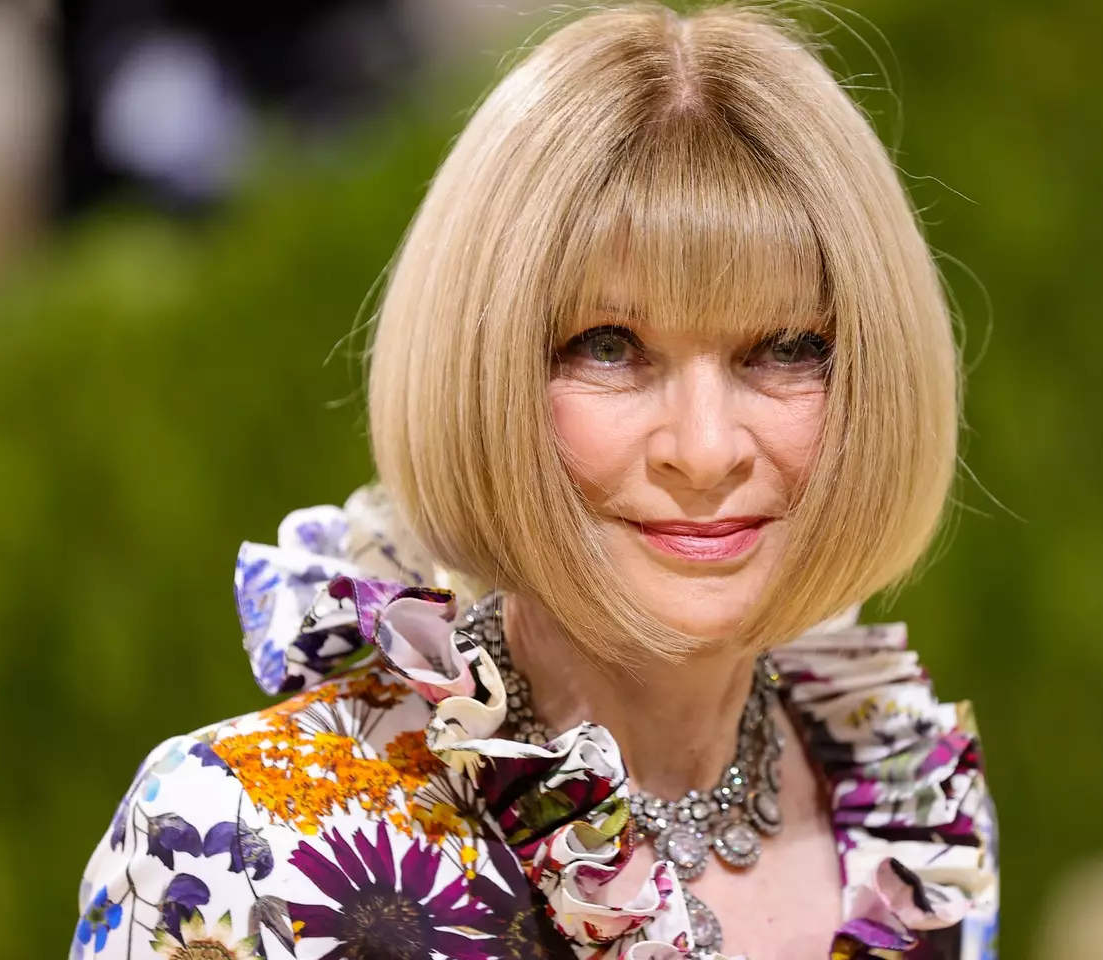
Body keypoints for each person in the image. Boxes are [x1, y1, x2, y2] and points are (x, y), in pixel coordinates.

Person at [72, 4, 999, 958]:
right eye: (610, 347)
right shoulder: (234, 839)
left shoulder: (912, 819)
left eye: (787, 349)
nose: (707, 447)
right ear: (487, 369)